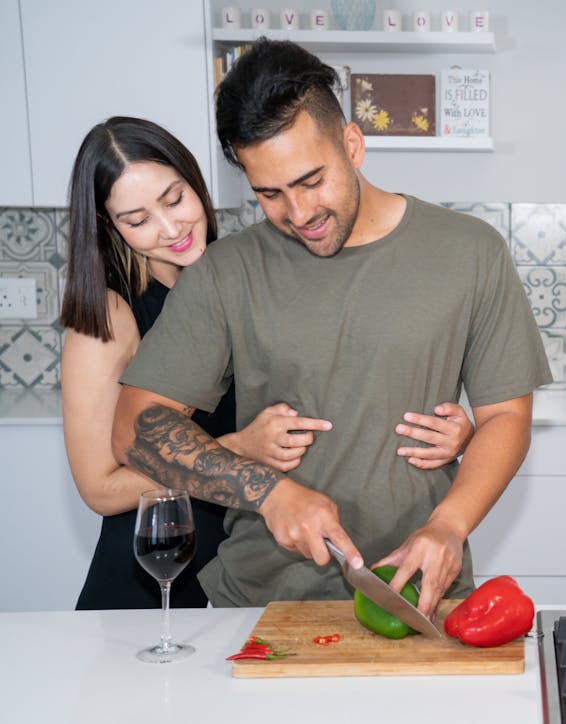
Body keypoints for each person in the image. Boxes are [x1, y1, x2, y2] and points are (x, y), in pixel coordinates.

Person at [112, 38, 552, 618]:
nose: (298, 214)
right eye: (269, 193)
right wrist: (266, 492)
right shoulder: (227, 272)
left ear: (352, 143)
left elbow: (505, 418)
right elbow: (135, 431)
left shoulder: (470, 252)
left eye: (311, 180)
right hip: (260, 605)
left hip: (424, 593)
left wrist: (449, 525)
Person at [61, 116, 473, 610]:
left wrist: (456, 433)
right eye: (137, 219)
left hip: (224, 557)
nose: (170, 228)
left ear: (197, 181)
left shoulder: (235, 274)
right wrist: (240, 449)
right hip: (150, 571)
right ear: (110, 226)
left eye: (175, 199)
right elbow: (101, 491)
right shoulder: (106, 316)